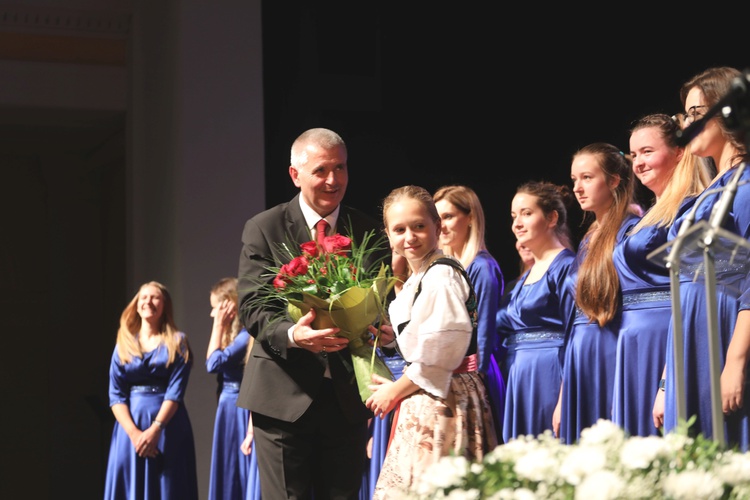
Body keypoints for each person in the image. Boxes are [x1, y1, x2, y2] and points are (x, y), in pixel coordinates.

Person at [236, 127, 386, 499]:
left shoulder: (365, 229)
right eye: (321, 170)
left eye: (341, 168)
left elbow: (381, 302)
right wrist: (293, 334)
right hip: (282, 396)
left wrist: (383, 329)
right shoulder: (264, 228)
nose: (333, 180)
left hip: (346, 399)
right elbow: (253, 305)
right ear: (295, 174)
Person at [365, 185, 497, 498]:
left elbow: (441, 352)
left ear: (436, 227)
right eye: (399, 229)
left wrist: (393, 392)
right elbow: (429, 336)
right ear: (388, 234)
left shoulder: (440, 276)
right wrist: (396, 338)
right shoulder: (423, 274)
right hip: (428, 392)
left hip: (444, 396)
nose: (409, 237)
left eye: (419, 226)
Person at [656, 66, 750, 451]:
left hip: (726, 329)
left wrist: (737, 361)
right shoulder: (708, 190)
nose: (688, 123)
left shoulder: (745, 183)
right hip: (690, 332)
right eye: (686, 114)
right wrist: (666, 381)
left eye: (697, 113)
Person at [611, 114, 710, 438]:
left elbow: (694, 294)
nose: (638, 163)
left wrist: (668, 381)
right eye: (634, 154)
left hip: (664, 336)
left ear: (680, 151)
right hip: (632, 341)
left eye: (647, 152)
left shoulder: (690, 208)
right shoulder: (649, 214)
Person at [553, 143, 640, 444]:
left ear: (614, 181)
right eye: (574, 179)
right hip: (581, 352)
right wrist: (565, 393)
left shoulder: (630, 233)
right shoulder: (589, 238)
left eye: (587, 178)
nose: (577, 187)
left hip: (609, 350)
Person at [496, 180, 576, 442]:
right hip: (520, 374)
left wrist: (566, 396)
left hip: (550, 372)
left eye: (527, 214)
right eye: (513, 216)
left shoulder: (565, 266)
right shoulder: (530, 271)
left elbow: (575, 333)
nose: (517, 223)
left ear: (552, 218)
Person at [104, 281, 198, 500]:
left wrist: (156, 429)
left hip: (168, 428)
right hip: (130, 430)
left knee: (169, 487)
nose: (148, 302)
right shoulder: (124, 344)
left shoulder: (177, 342)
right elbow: (115, 394)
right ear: (136, 305)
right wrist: (135, 434)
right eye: (143, 297)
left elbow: (175, 392)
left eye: (155, 297)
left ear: (165, 305)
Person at [433, 184, 506, 440]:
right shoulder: (449, 269)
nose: (440, 225)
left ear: (471, 218)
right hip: (453, 377)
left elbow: (483, 336)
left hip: (475, 376)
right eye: (437, 218)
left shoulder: (482, 268)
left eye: (448, 217)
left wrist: (475, 388)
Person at [205, 277, 259, 500]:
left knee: (241, 469)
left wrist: (218, 326)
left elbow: (213, 363)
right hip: (227, 407)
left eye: (215, 308)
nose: (212, 315)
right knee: (227, 470)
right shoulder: (235, 335)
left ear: (229, 305)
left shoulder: (246, 335)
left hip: (240, 407)